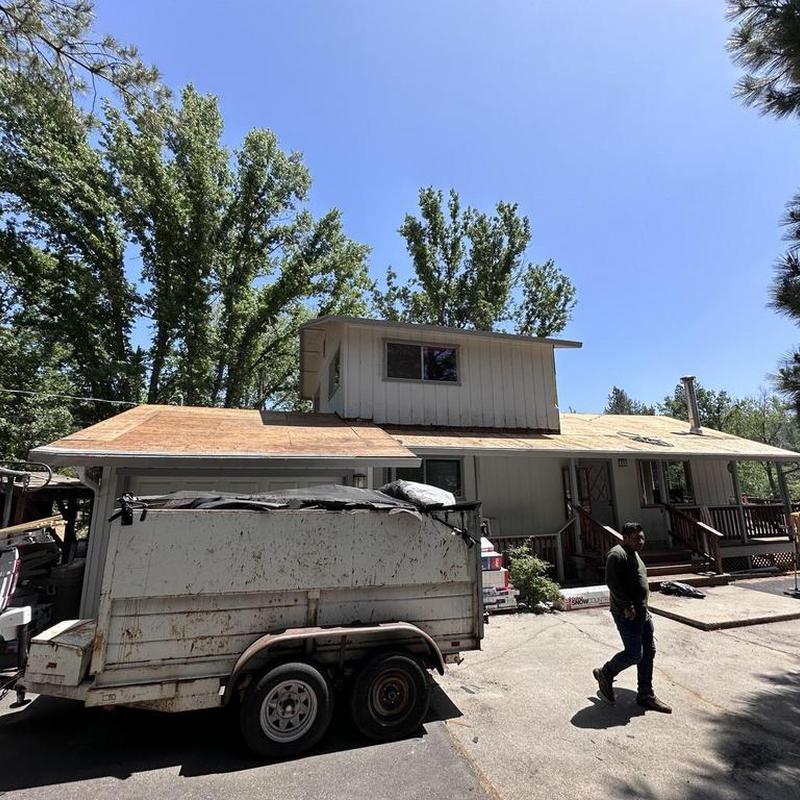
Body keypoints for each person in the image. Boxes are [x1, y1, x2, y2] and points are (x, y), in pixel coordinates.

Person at [592, 522, 672, 713]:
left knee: (649, 651)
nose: (641, 541)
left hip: (642, 612)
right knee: (634, 654)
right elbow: (612, 583)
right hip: (627, 614)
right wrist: (626, 606)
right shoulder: (617, 554)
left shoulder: (633, 554)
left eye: (642, 537)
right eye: (636, 538)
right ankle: (606, 672)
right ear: (625, 537)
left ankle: (645, 694)